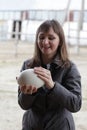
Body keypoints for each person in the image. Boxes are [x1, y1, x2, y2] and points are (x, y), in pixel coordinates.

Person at [17, 19, 82, 130]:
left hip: (60, 126)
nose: (45, 42)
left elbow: (75, 104)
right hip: (32, 125)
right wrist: (28, 94)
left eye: (51, 38)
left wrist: (53, 86)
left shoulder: (69, 68)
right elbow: (24, 105)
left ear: (60, 41)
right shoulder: (28, 65)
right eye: (41, 37)